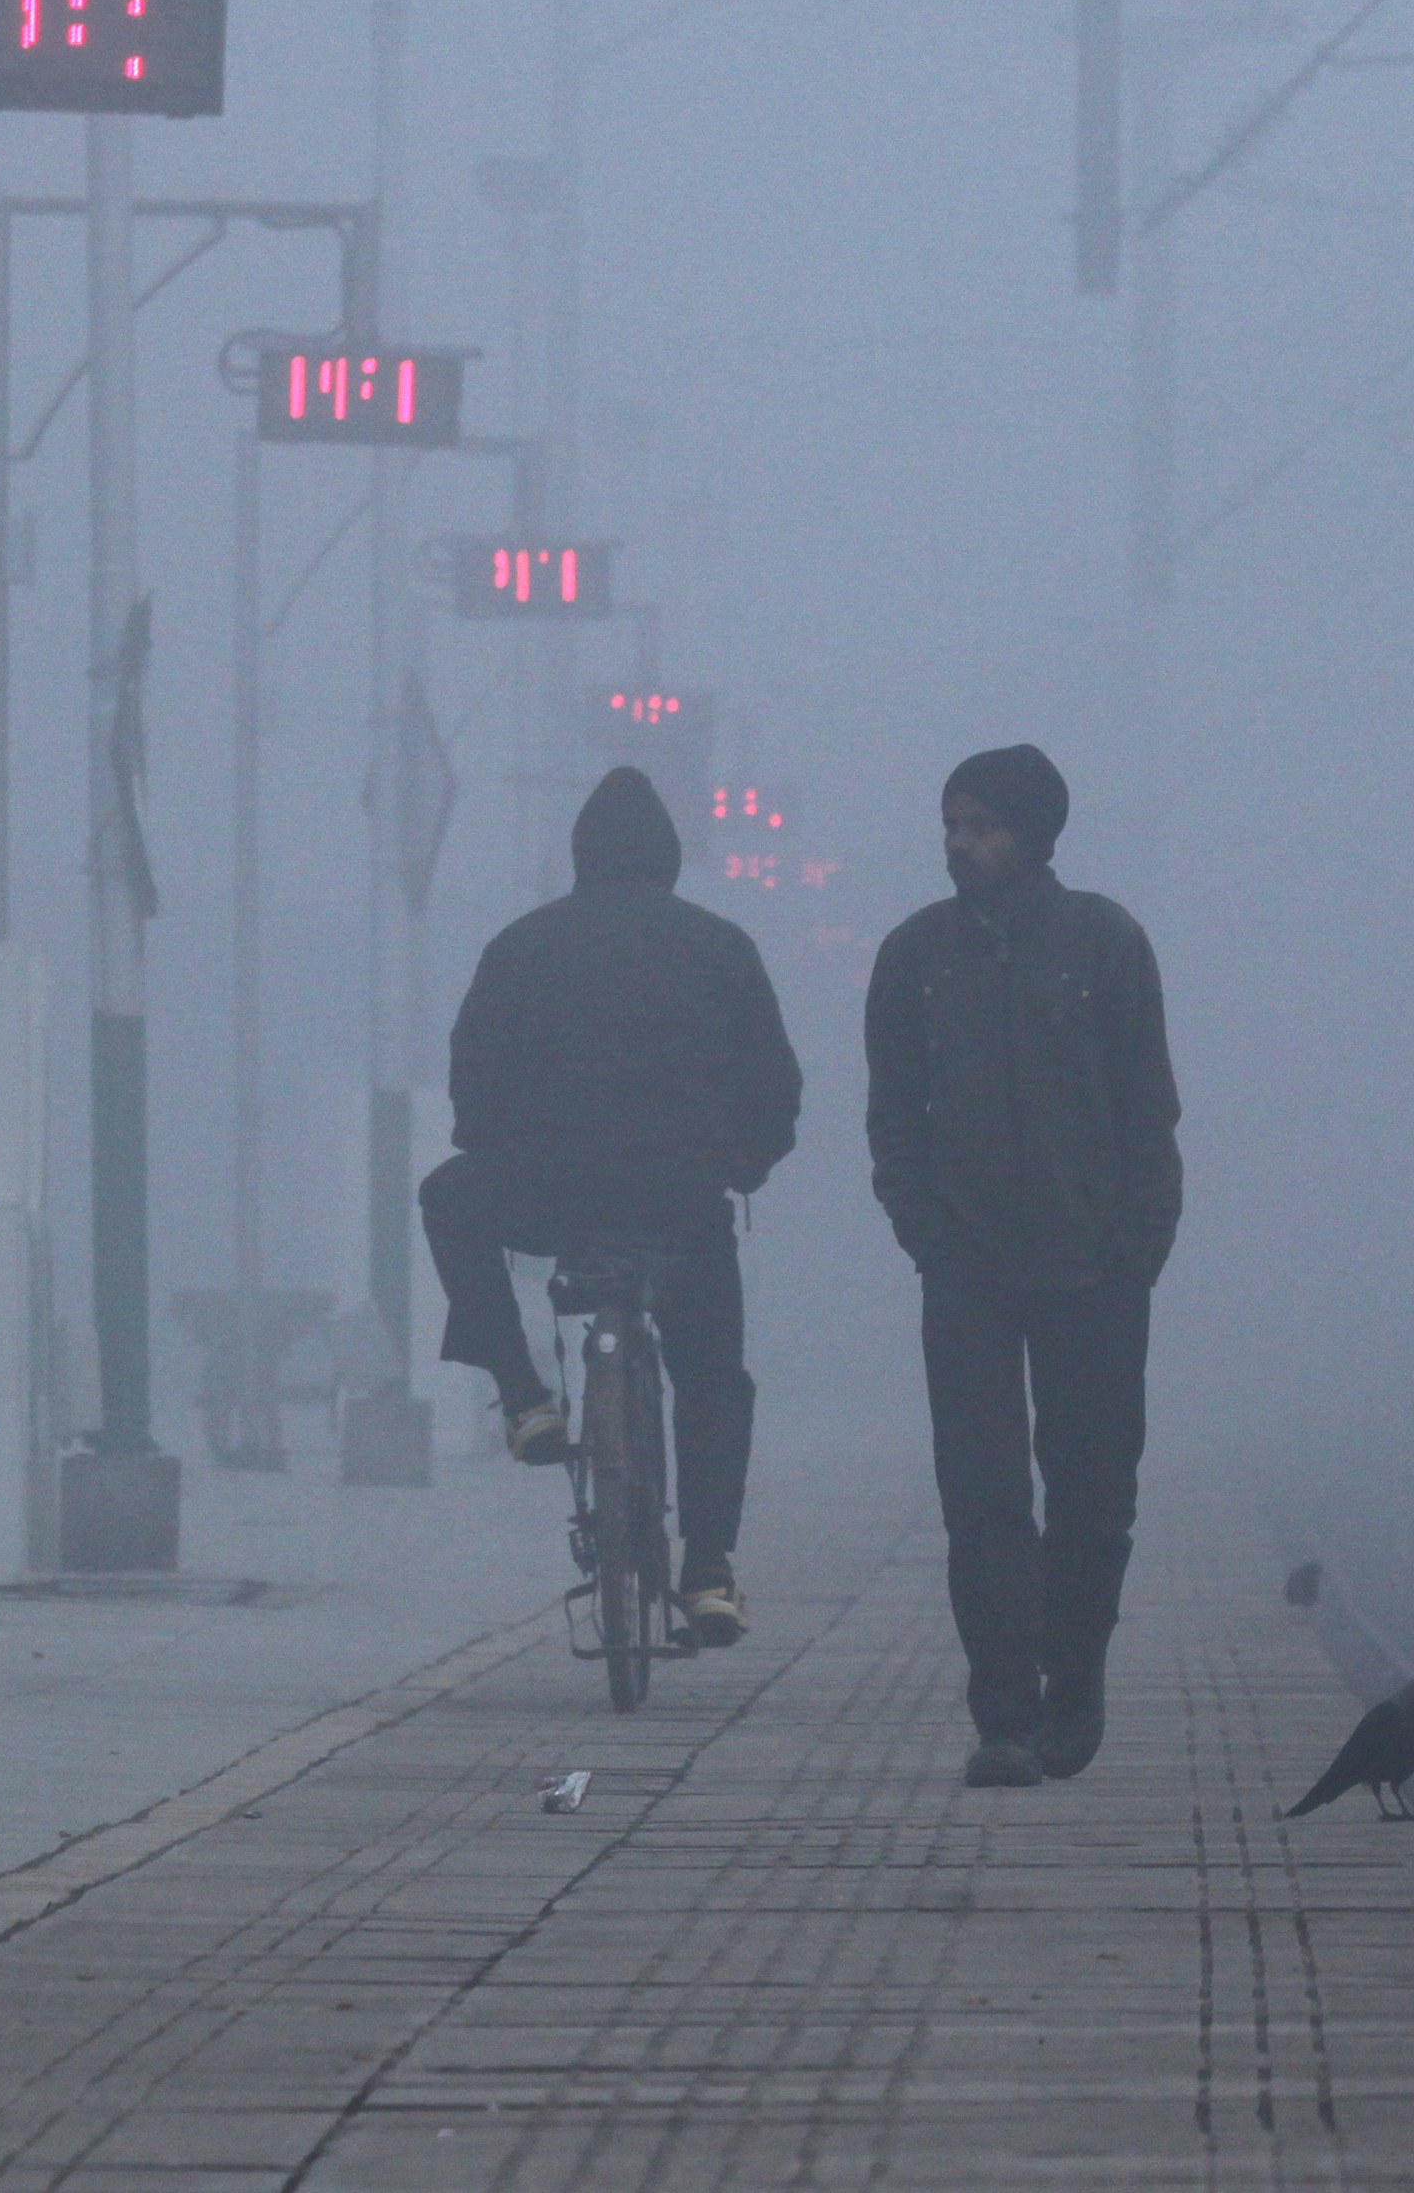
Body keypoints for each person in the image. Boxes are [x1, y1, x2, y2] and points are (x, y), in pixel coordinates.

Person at [421, 765, 801, 1644]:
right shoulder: (720, 945)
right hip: (680, 1197)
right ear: (669, 860)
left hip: (549, 1190)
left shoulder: (520, 945)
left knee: (445, 1198)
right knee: (710, 1375)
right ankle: (707, 1569)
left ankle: (525, 1396)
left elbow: (472, 1083)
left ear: (581, 857)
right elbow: (772, 1081)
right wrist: (744, 1164)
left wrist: (498, 1145)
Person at [865, 745, 1182, 1787]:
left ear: (1036, 835)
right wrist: (924, 1230)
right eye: (952, 823)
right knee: (983, 1495)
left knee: (1092, 1490)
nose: (961, 843)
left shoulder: (1102, 942)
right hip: (968, 1271)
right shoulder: (913, 956)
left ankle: (1073, 1679)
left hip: (1091, 1268)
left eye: (984, 824)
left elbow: (1147, 1109)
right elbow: (892, 1112)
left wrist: (1134, 1248)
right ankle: (1004, 1712)